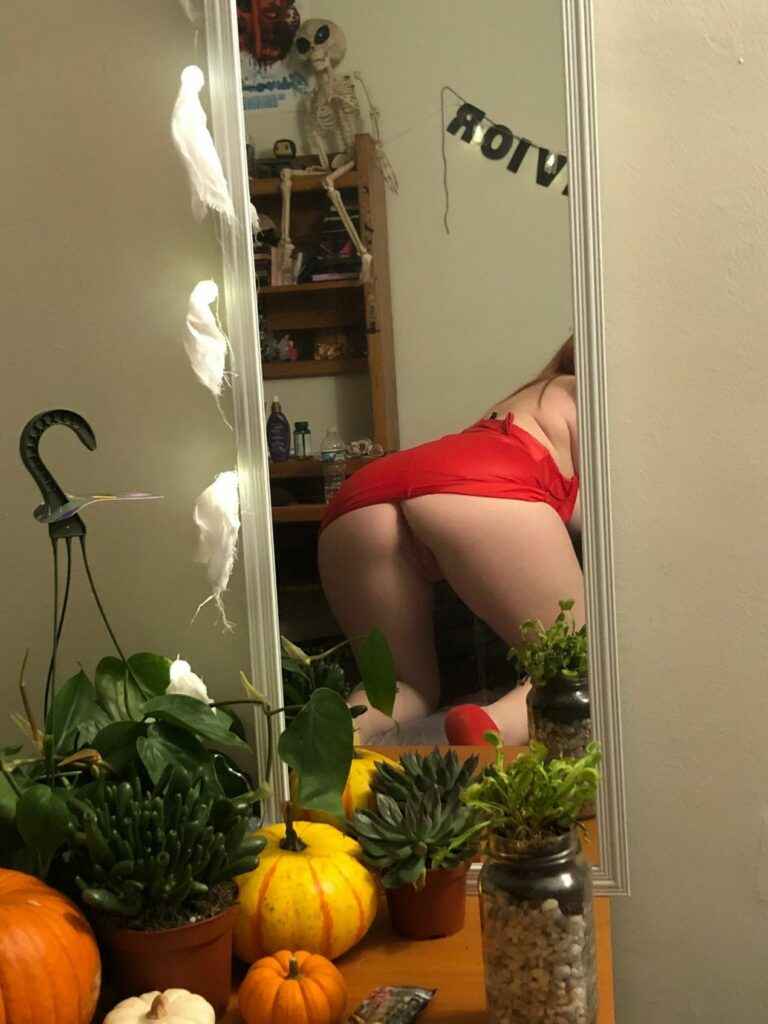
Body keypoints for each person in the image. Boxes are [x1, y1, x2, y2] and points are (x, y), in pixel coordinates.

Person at [318, 337, 584, 745]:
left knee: (396, 687)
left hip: (365, 497)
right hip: (477, 484)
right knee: (574, 668)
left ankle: (342, 738)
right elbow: (613, 523)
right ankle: (490, 727)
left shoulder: (531, 395)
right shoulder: (587, 393)